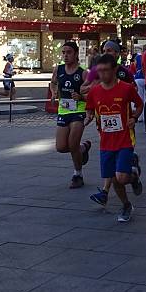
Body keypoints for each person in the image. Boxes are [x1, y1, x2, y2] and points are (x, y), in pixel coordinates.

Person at [86, 54, 144, 222]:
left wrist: (134, 117)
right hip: (105, 142)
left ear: (115, 70)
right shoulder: (94, 91)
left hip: (125, 139)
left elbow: (139, 104)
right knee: (115, 178)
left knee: (120, 177)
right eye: (100, 71)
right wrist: (88, 116)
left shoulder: (126, 88)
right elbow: (90, 108)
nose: (102, 74)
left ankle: (131, 175)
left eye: (106, 70)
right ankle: (126, 204)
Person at [50, 42, 90, 189]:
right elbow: (53, 83)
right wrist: (54, 92)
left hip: (78, 111)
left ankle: (77, 174)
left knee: (72, 144)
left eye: (69, 52)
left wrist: (81, 97)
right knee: (61, 147)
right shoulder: (58, 69)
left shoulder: (84, 72)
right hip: (63, 110)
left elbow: (91, 94)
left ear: (76, 54)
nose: (65, 55)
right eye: (63, 52)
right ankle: (83, 148)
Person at [133, 45, 146, 122]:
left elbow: (135, 66)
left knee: (140, 98)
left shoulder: (138, 57)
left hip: (138, 78)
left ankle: (139, 117)